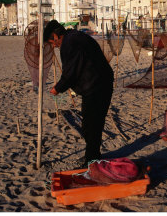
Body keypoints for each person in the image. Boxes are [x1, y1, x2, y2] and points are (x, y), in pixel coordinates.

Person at [43, 20, 114, 167]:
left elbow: (71, 71)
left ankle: (92, 161)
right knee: (90, 125)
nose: (53, 46)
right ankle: (92, 157)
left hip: (98, 85)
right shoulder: (73, 37)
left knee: (92, 126)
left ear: (56, 36)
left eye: (51, 42)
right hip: (96, 84)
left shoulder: (70, 42)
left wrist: (58, 88)